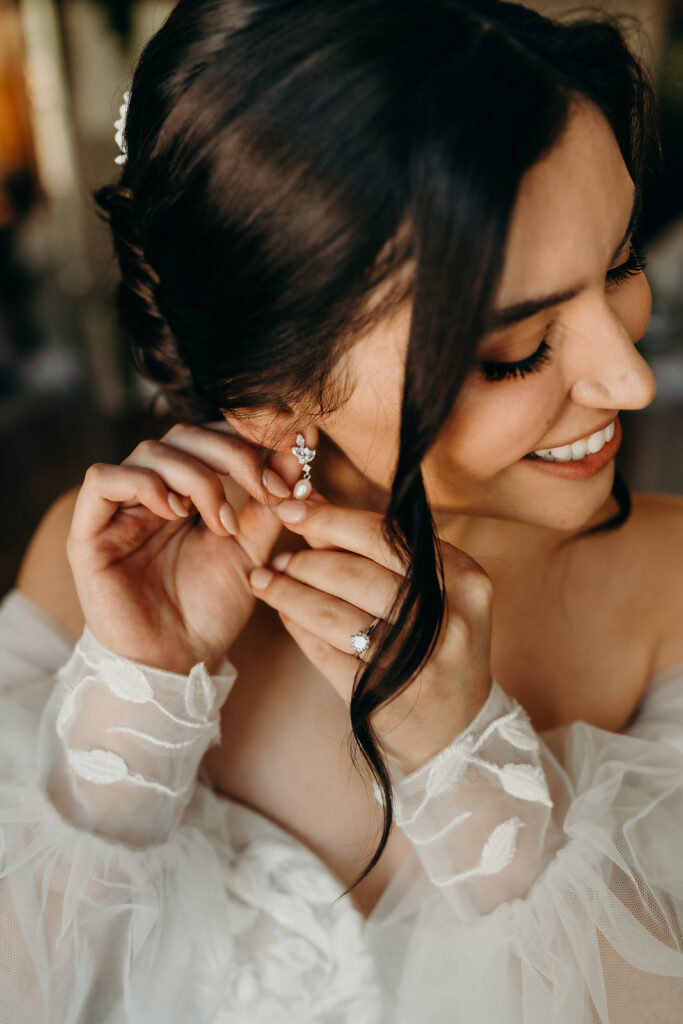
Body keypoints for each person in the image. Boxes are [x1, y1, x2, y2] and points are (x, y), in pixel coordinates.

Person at [1, 0, 682, 1020]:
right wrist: (132, 711)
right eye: (515, 351)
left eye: (619, 261)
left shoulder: (668, 597)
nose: (628, 380)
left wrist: (473, 773)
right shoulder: (91, 576)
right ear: (277, 398)